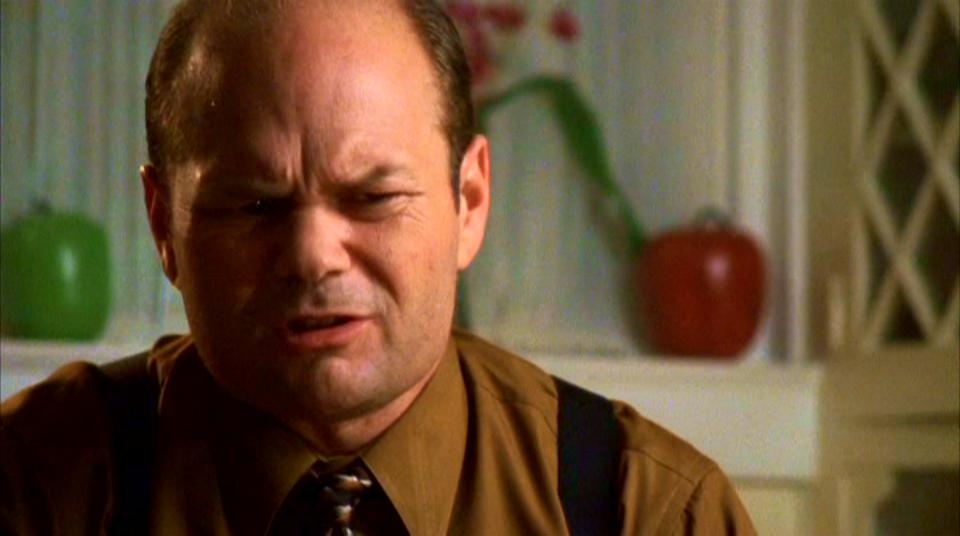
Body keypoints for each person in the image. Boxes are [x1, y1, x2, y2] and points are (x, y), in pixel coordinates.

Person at [1, 1, 756, 534]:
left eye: (372, 197)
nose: (313, 256)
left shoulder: (649, 513)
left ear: (469, 201)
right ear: (164, 223)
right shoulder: (32, 488)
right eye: (256, 205)